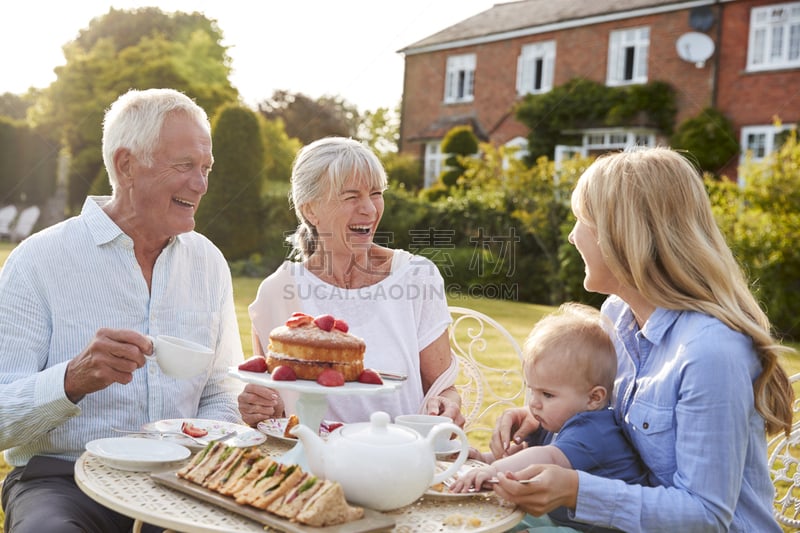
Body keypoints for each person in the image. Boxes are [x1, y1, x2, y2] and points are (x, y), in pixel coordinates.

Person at [485, 147, 794, 532]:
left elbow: (707, 516)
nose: (571, 235)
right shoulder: (617, 316)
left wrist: (577, 491)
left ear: (622, 235)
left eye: (582, 220)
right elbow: (601, 413)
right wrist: (543, 418)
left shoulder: (709, 352)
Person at [0, 88, 244, 533]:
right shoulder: (37, 260)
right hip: (64, 480)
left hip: (179, 479)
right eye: (185, 166)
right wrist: (71, 380)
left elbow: (221, 390)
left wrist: (207, 438)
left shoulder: (208, 262)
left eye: (205, 168)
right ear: (127, 165)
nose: (201, 183)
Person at [238, 136, 464, 425]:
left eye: (376, 193)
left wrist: (447, 405)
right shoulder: (278, 290)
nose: (370, 209)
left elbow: (444, 388)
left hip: (399, 454)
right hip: (314, 460)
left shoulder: (416, 276)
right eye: (351, 196)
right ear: (310, 210)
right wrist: (257, 408)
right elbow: (276, 405)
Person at [450, 303, 647, 532]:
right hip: (561, 519)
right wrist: (485, 460)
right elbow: (526, 458)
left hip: (594, 528)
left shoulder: (594, 430)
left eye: (547, 394)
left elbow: (548, 457)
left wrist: (492, 471)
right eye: (532, 390)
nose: (533, 402)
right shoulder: (553, 419)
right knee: (492, 519)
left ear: (593, 398)